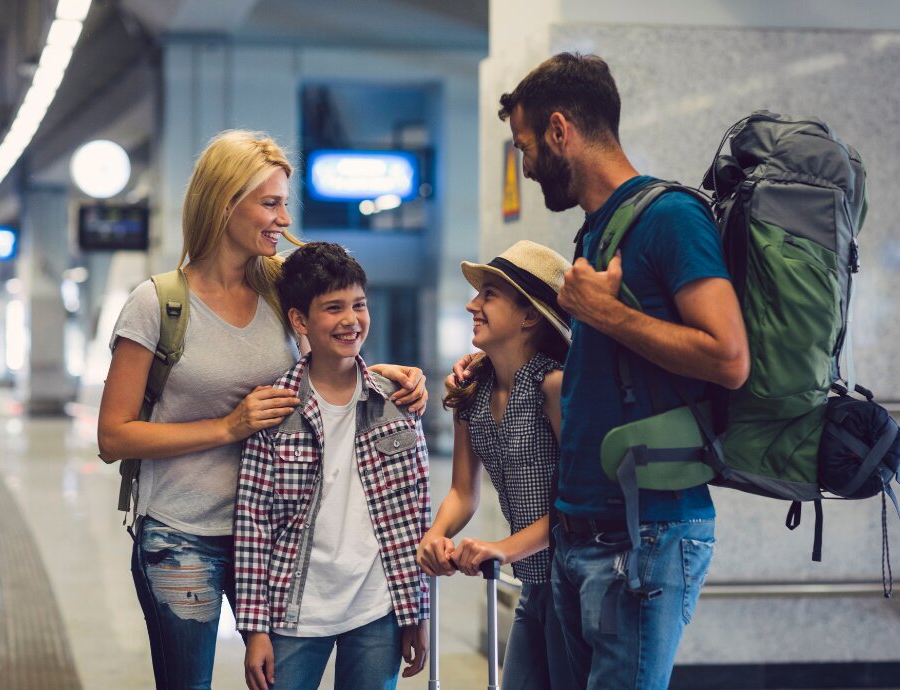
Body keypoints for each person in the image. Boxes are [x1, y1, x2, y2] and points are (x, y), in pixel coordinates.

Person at [456, 53, 750, 689]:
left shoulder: (669, 219)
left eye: (526, 147)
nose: (526, 165)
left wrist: (608, 315)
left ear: (561, 131)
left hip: (643, 536)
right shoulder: (597, 234)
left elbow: (729, 357)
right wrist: (489, 365)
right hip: (580, 534)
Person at [97, 131, 427, 690]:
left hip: (278, 538)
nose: (282, 218)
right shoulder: (158, 304)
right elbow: (114, 436)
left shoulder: (279, 290)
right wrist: (228, 426)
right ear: (225, 204)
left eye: (283, 204)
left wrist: (385, 374)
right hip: (183, 534)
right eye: (269, 203)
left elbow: (324, 363)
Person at [234, 242, 430, 690]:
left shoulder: (397, 401)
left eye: (359, 305)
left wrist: (416, 610)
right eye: (333, 308)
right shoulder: (275, 408)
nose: (350, 319)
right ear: (300, 320)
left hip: (377, 610)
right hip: (294, 610)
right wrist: (255, 628)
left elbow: (415, 515)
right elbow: (252, 524)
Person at [417, 240, 574, 689]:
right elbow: (464, 492)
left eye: (488, 294)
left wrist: (504, 548)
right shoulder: (473, 390)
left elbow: (580, 504)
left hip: (576, 584)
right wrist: (436, 533)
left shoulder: (554, 386)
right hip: (535, 586)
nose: (472, 304)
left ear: (529, 316)